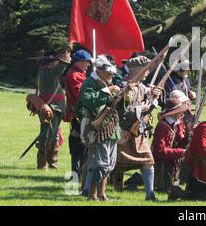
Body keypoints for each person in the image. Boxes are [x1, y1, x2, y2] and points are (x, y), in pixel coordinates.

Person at [111, 55, 162, 201]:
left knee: (148, 160)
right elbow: (123, 111)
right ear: (137, 70)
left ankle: (150, 194)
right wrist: (141, 108)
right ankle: (89, 190)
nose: (148, 72)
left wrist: (153, 97)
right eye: (145, 69)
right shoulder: (124, 85)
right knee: (109, 163)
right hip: (123, 130)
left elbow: (146, 107)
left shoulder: (140, 85)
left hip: (137, 131)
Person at [75, 54, 121, 201]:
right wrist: (107, 92)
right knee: (99, 164)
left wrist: (125, 97)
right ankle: (92, 194)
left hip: (111, 128)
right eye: (109, 72)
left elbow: (119, 108)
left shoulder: (108, 82)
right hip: (97, 129)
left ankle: (102, 193)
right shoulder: (90, 83)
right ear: (100, 70)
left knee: (109, 165)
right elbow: (88, 102)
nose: (111, 75)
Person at [35, 44, 73, 170]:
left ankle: (53, 162)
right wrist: (66, 53)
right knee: (46, 136)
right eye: (55, 61)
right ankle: (42, 164)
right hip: (50, 108)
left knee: (55, 135)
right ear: (49, 63)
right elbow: (61, 68)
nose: (56, 62)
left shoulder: (47, 72)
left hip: (56, 108)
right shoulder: (47, 72)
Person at [64, 50, 92, 183]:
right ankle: (76, 177)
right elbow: (80, 96)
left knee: (83, 148)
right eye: (87, 62)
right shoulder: (75, 75)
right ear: (80, 62)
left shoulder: (80, 74)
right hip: (79, 115)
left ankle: (80, 176)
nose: (88, 65)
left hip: (81, 114)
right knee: (78, 148)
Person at [151, 98, 189, 194]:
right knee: (166, 190)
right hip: (161, 165)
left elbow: (180, 142)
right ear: (174, 112)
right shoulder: (162, 127)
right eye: (180, 110)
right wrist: (181, 152)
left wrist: (190, 133)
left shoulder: (176, 124)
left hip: (170, 162)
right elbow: (160, 151)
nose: (182, 113)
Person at [159, 61, 196, 127]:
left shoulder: (186, 81)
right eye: (186, 67)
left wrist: (190, 94)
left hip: (186, 114)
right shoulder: (166, 81)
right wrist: (177, 105)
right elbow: (162, 100)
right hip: (173, 115)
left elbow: (185, 93)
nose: (188, 69)